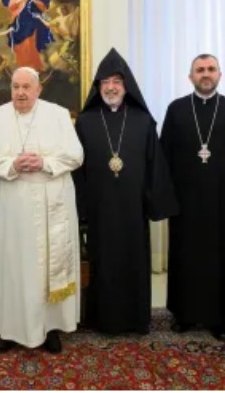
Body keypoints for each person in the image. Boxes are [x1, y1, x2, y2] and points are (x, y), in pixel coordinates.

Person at [0, 66, 83, 354]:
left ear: (38, 89)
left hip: (52, 199)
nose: (20, 93)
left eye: (26, 87)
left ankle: (51, 327)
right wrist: (12, 164)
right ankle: (9, 329)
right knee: (14, 265)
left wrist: (44, 163)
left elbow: (76, 156)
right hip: (14, 202)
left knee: (48, 265)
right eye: (16, 87)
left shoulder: (58, 115)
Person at [160, 54, 225, 342]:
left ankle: (219, 319)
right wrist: (164, 199)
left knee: (221, 259)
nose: (205, 74)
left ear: (220, 74)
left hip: (223, 202)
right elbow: (164, 156)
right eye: (200, 70)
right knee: (185, 258)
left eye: (211, 69)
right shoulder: (176, 109)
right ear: (190, 76)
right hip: (185, 203)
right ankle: (184, 314)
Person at [73, 48, 178, 334]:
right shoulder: (85, 121)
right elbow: (77, 170)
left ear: (126, 85)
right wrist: (81, 208)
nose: (111, 87)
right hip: (100, 208)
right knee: (103, 263)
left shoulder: (143, 120)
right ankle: (101, 320)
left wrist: (156, 203)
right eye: (105, 82)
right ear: (98, 87)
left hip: (133, 208)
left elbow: (155, 163)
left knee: (134, 262)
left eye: (117, 81)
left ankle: (135, 319)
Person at [0, 0, 54, 72]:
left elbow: (42, 6)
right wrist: (19, 0)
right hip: (20, 17)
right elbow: (11, 6)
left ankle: (34, 65)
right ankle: (23, 64)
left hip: (32, 17)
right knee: (21, 42)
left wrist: (34, 0)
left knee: (31, 41)